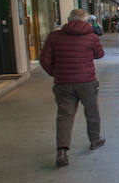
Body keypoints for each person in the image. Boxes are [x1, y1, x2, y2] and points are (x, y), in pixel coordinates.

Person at [40, 9, 106, 167]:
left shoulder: (54, 37)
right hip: (86, 81)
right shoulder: (91, 37)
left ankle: (62, 151)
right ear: (86, 21)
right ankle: (95, 140)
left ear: (69, 19)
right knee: (92, 112)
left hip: (63, 83)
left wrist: (56, 73)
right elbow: (100, 54)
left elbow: (44, 60)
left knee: (64, 115)